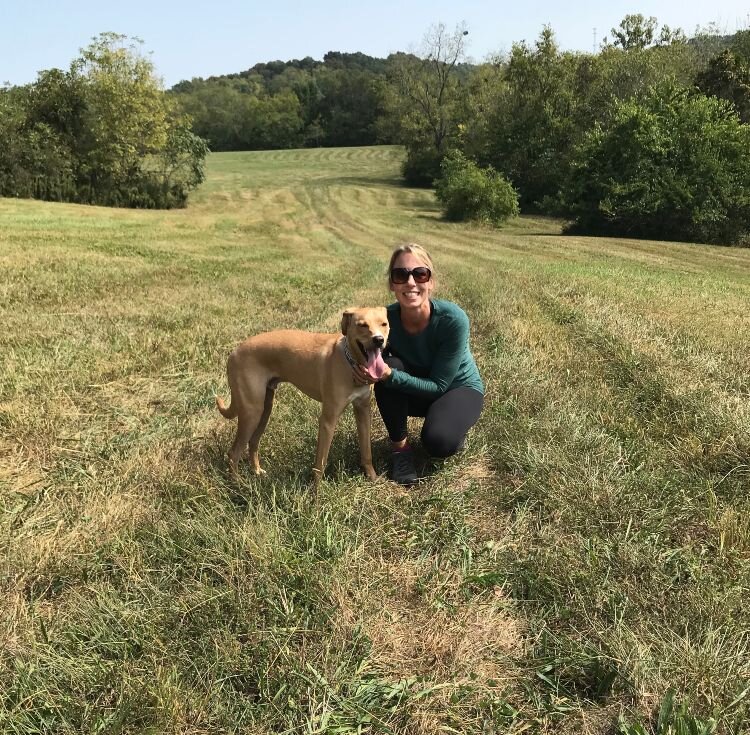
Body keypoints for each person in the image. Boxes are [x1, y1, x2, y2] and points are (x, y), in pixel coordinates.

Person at [353, 243, 484, 484]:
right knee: (387, 365)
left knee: (439, 442)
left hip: (456, 388)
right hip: (414, 386)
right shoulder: (385, 320)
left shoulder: (453, 320)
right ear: (392, 284)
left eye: (420, 274)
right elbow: (354, 341)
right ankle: (400, 451)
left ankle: (451, 425)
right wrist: (362, 368)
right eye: (400, 275)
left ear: (430, 281)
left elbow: (438, 385)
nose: (410, 282)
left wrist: (389, 375)